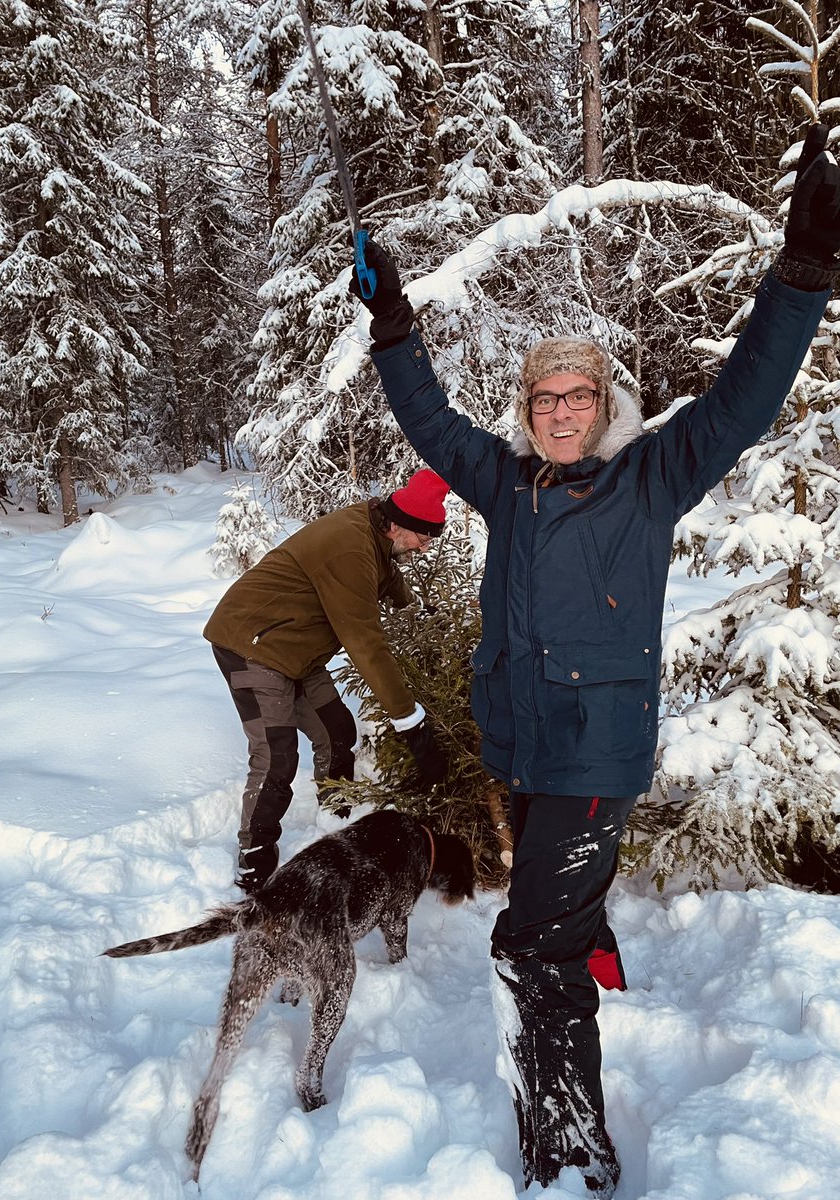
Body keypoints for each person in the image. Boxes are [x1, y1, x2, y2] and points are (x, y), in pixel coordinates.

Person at [350, 125, 840, 1197]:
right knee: (553, 926)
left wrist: (801, 274)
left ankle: (573, 1150)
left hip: (595, 754)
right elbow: (430, 421)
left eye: (579, 397)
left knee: (529, 945)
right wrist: (393, 324)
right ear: (528, 414)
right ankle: (582, 970)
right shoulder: (507, 483)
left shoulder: (653, 476)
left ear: (605, 404)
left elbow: (746, 397)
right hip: (525, 746)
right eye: (544, 400)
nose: (562, 412)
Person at [204, 469, 451, 892]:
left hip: (297, 650)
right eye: (423, 538)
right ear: (397, 525)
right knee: (276, 756)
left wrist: (421, 619)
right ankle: (254, 858)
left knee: (337, 730)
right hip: (253, 645)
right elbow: (364, 642)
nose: (425, 548)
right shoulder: (350, 546)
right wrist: (409, 721)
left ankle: (334, 820)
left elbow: (389, 580)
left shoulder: (376, 534)